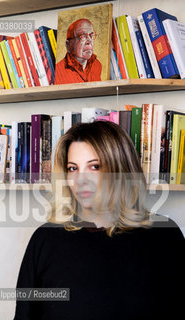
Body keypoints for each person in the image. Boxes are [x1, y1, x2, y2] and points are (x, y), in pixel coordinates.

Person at [13, 121, 185, 320]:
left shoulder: (165, 235)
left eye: (94, 167)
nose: (81, 180)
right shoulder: (45, 240)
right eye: (72, 168)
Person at [55, 18, 102, 84]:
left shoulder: (97, 65)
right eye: (82, 36)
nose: (89, 41)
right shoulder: (58, 71)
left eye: (91, 35)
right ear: (68, 45)